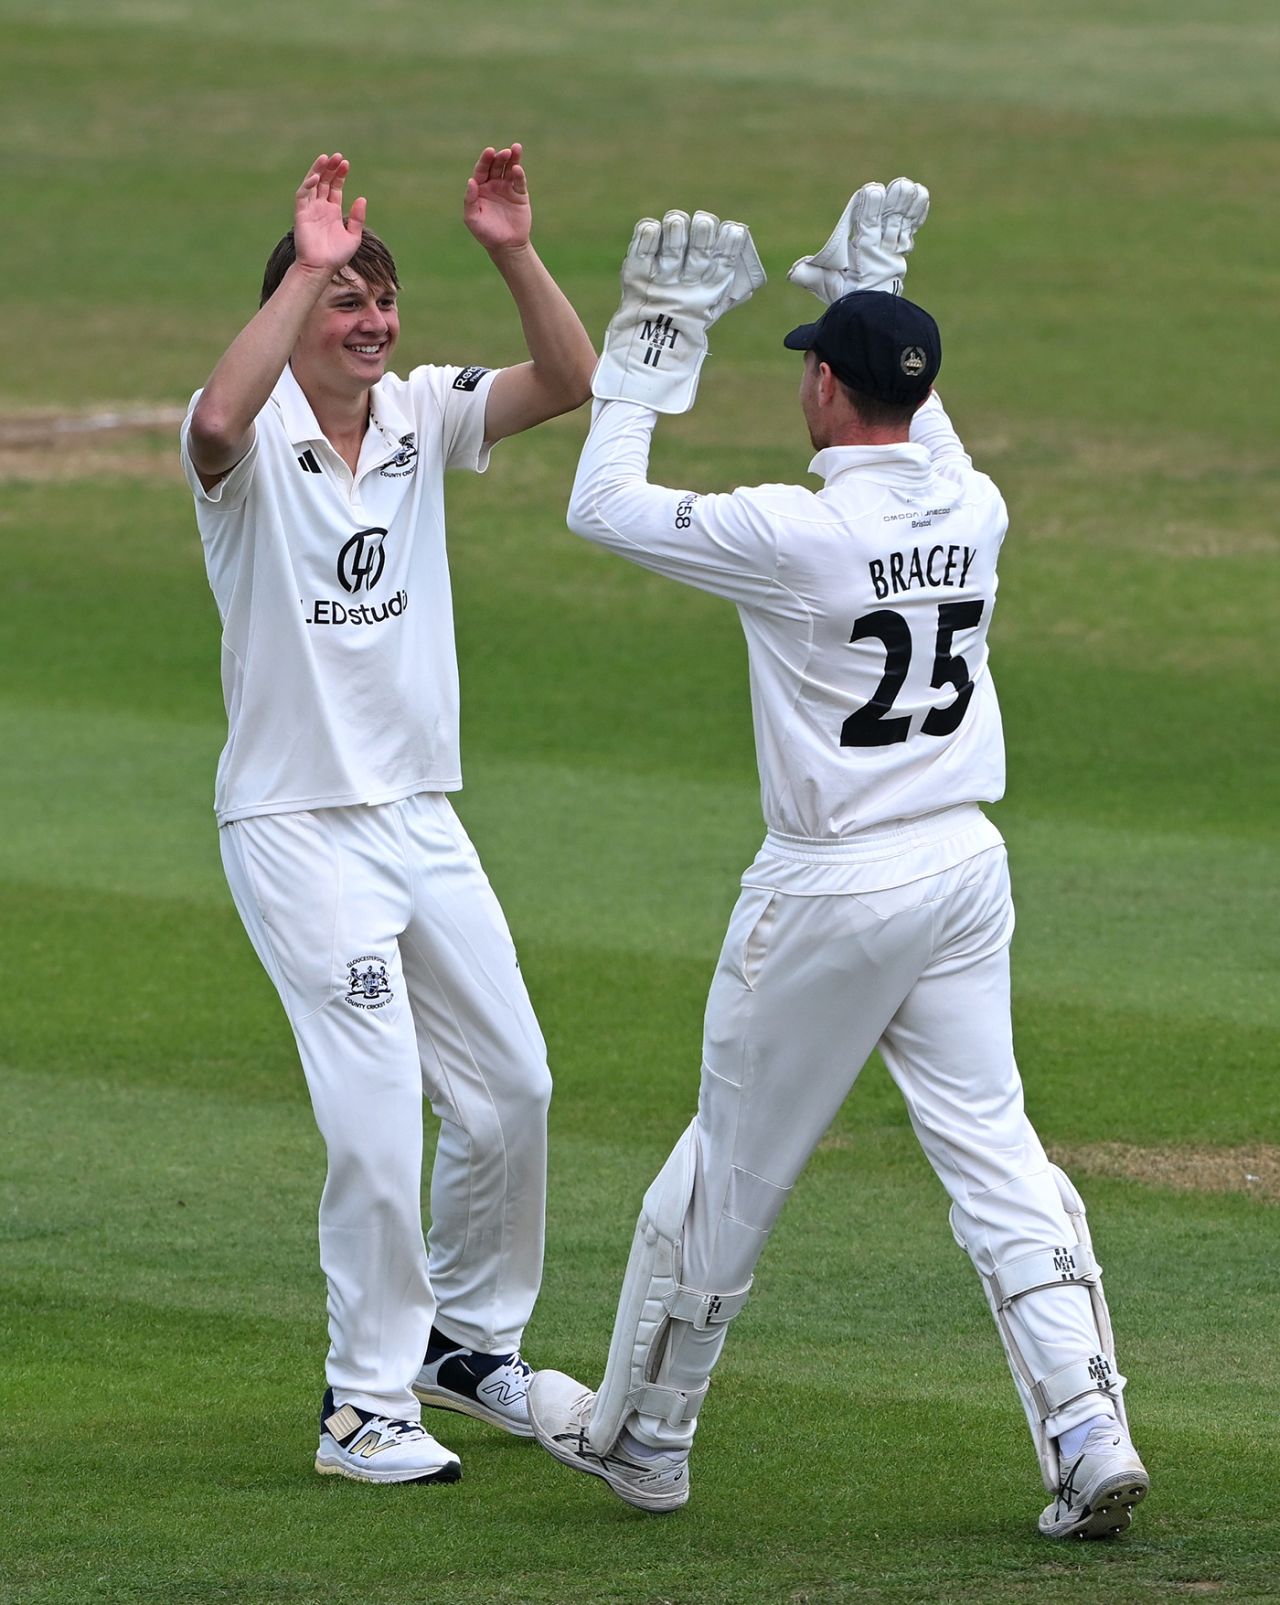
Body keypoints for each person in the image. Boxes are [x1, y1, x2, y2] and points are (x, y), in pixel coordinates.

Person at [527, 187, 1150, 1538]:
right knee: (994, 1148)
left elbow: (602, 506)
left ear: (823, 387)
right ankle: (1087, 1424)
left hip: (831, 886)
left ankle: (641, 1438)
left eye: (814, 362)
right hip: (962, 868)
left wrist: (647, 349)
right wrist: (885, 298)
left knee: (730, 1172)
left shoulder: (796, 531)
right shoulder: (973, 507)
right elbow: (929, 435)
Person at [180, 146, 596, 1485]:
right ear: (297, 312)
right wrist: (299, 268)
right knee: (374, 1111)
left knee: (511, 1085)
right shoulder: (245, 447)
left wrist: (513, 251)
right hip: (296, 825)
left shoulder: (421, 412)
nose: (369, 321)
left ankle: (465, 1342)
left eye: (380, 297)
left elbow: (572, 383)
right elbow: (214, 424)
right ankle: (362, 1401)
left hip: (419, 814)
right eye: (342, 300)